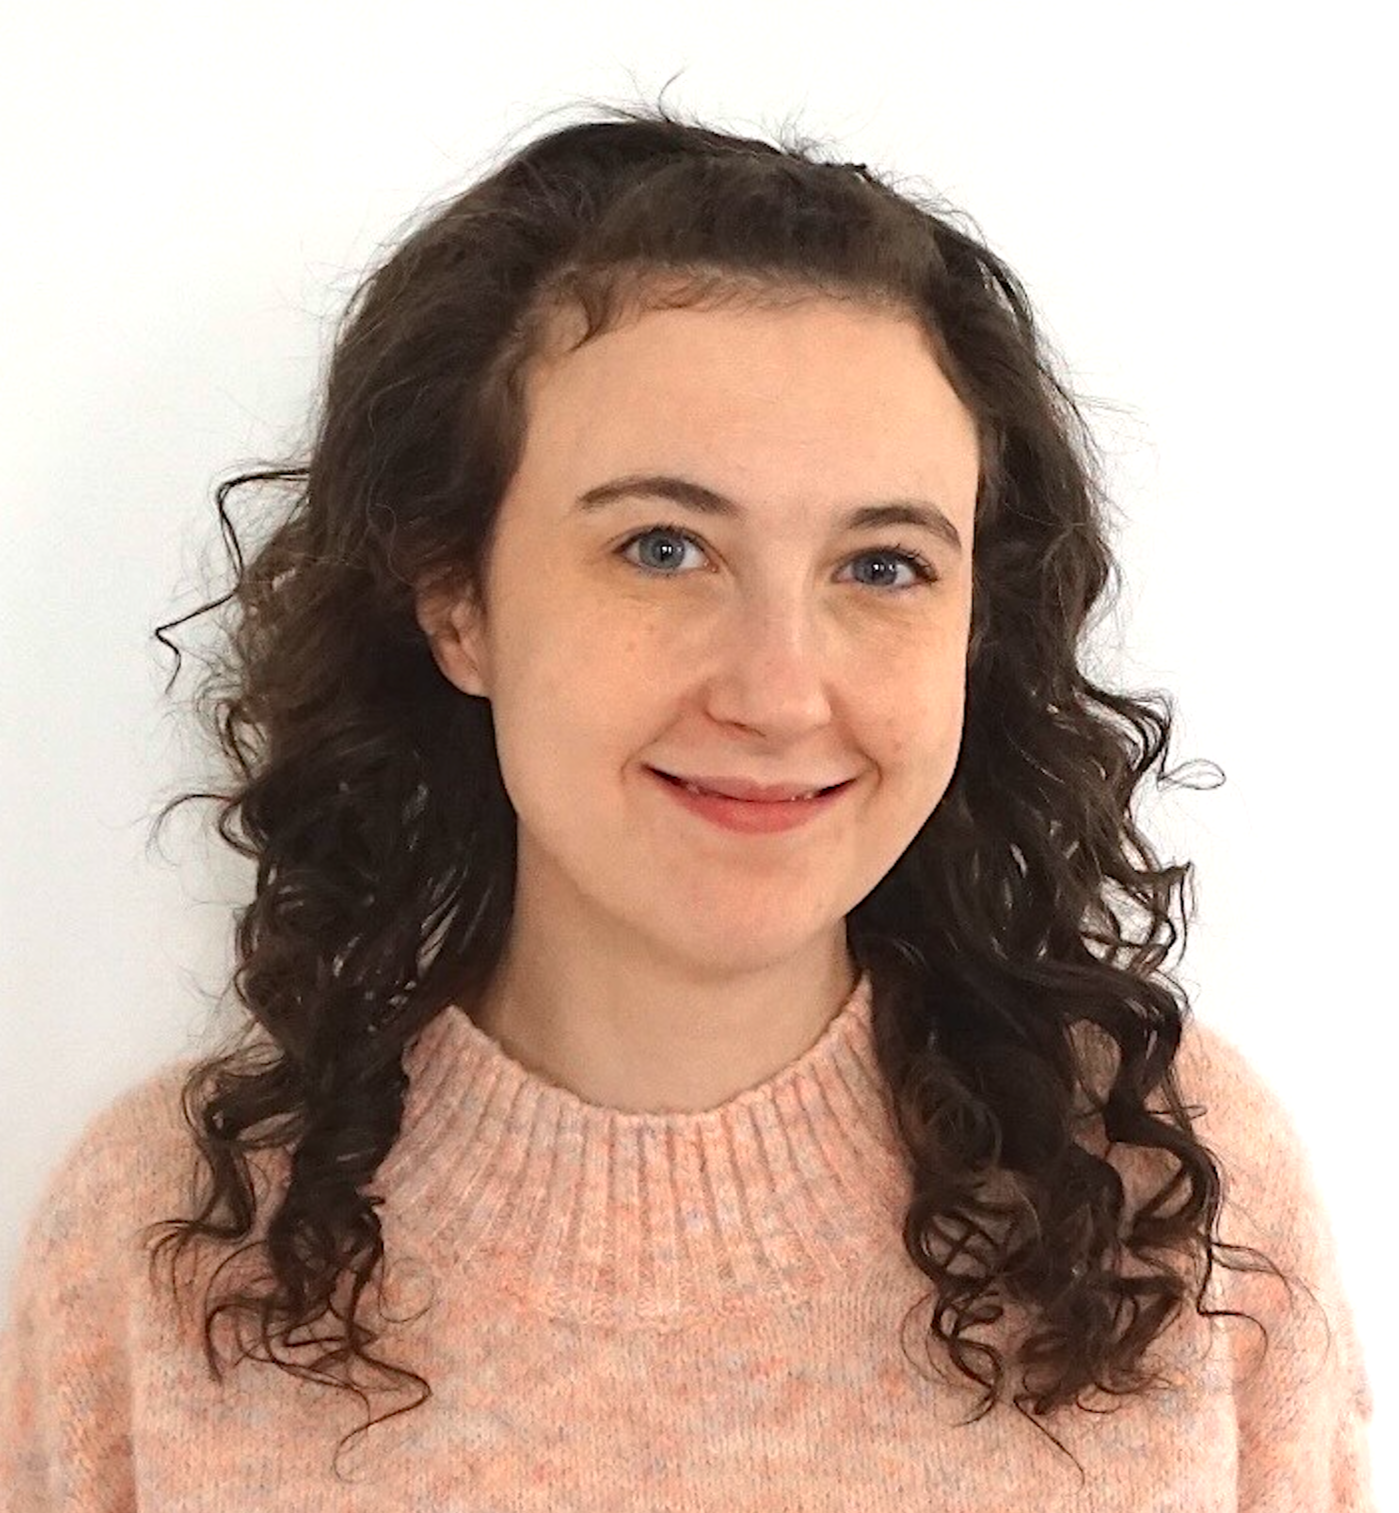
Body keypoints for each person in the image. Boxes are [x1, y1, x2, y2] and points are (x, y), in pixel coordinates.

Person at [0, 102, 1375, 1510]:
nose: (780, 693)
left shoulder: (1172, 1198)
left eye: (884, 565)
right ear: (456, 600)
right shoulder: (165, 1246)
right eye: (663, 548)